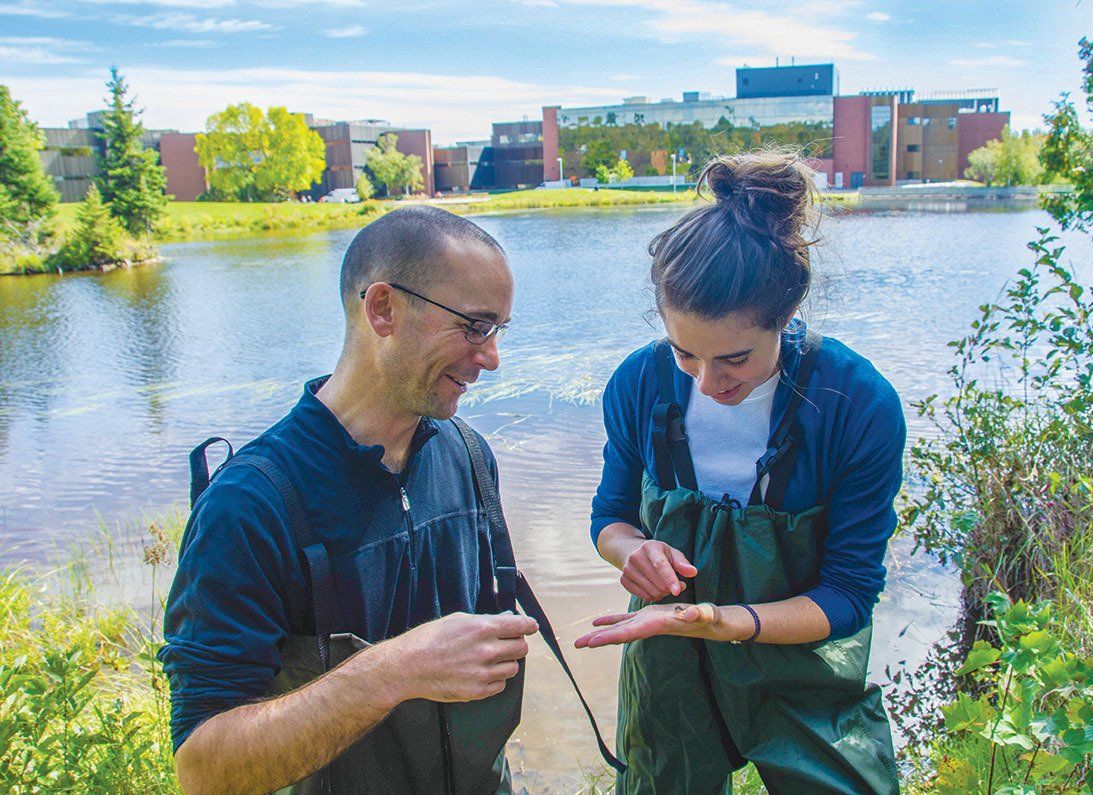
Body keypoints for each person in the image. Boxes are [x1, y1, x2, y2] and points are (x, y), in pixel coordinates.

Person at [159, 206, 539, 795]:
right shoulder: (250, 506)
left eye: (498, 331)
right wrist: (395, 670)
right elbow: (203, 770)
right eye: (474, 326)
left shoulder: (469, 456)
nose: (491, 357)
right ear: (382, 309)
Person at [577, 151, 905, 794]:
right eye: (683, 352)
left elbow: (849, 591)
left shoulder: (856, 402)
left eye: (734, 358)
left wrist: (730, 622)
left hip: (802, 670)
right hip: (666, 664)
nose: (707, 381)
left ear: (784, 316)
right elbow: (608, 517)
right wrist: (632, 550)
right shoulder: (640, 383)